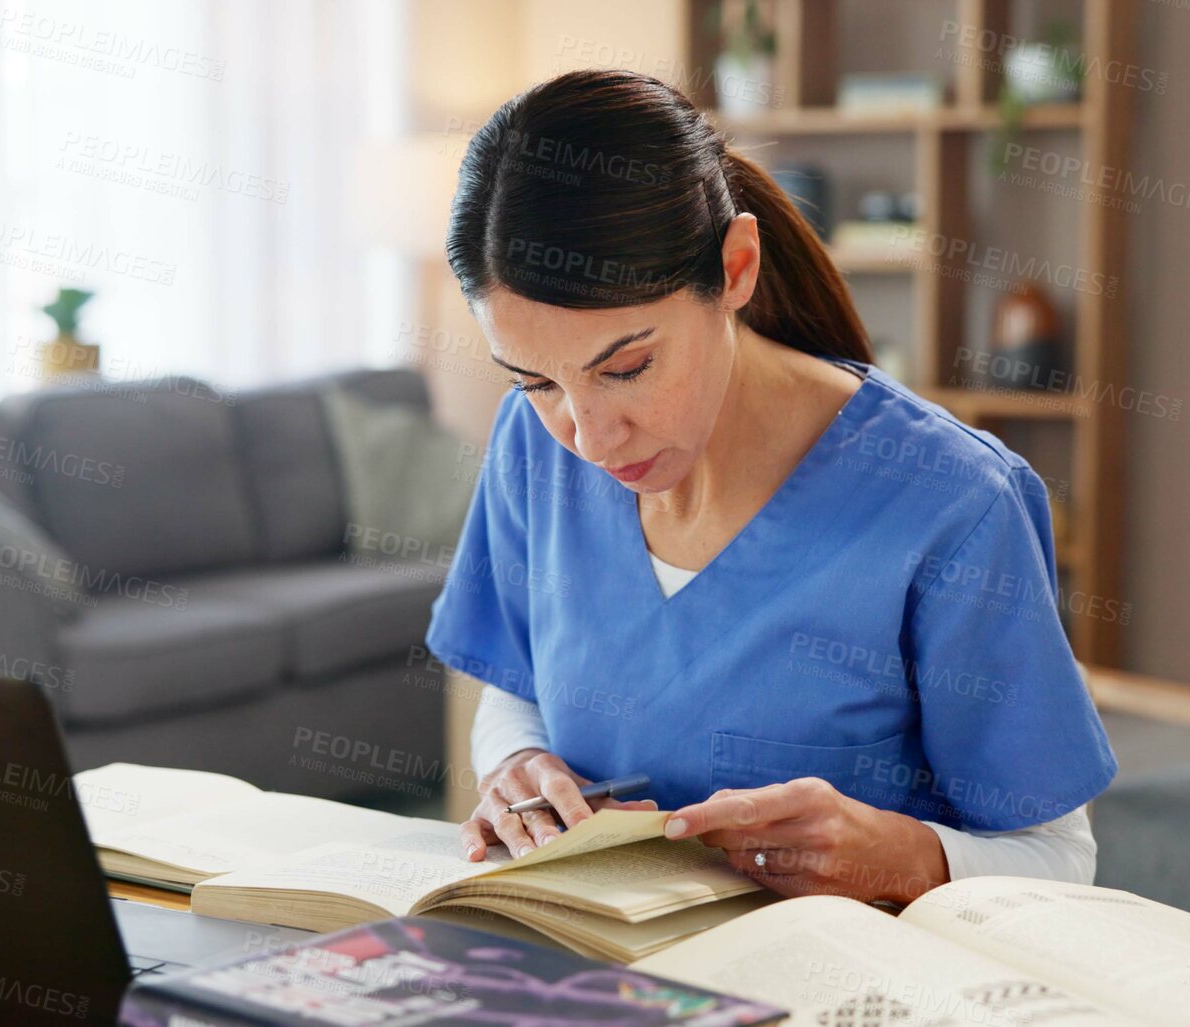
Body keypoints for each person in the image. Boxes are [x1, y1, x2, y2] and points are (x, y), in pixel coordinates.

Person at [424, 69, 1116, 907]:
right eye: (534, 379)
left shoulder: (952, 503)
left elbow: (1058, 858)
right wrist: (514, 761)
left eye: (628, 367)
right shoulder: (532, 451)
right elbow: (518, 678)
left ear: (737, 268)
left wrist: (903, 857)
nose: (588, 435)